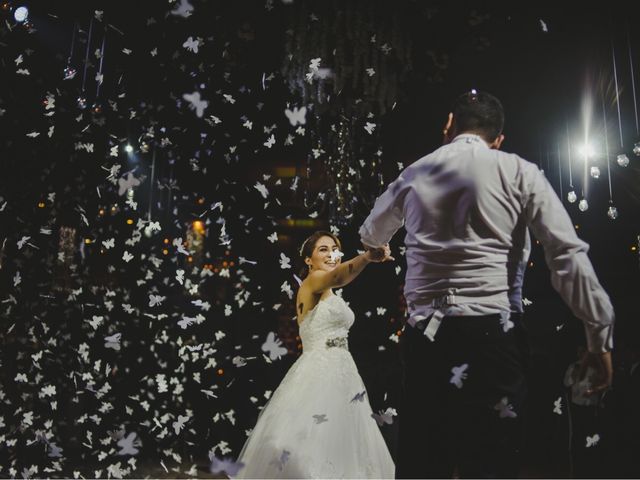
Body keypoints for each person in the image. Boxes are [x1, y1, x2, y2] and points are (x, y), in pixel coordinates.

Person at [359, 90, 615, 478]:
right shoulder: (518, 171)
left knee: (425, 463)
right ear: (498, 139)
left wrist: (377, 248)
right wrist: (599, 336)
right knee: (494, 463)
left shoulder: (415, 173)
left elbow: (372, 232)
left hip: (428, 339)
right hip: (495, 337)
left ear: (449, 126)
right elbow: (565, 255)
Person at [233, 231, 395, 478]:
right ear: (308, 260)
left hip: (345, 373)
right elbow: (340, 275)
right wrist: (367, 257)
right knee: (312, 445)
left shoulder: (329, 290)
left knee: (343, 445)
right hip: (319, 373)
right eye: (323, 249)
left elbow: (338, 278)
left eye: (335, 249)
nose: (332, 254)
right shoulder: (313, 282)